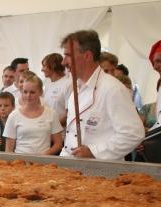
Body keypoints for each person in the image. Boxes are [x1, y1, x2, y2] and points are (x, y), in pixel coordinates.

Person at [59, 30, 144, 161]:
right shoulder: (77, 87)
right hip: (72, 166)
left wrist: (94, 151)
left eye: (68, 55)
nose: (63, 62)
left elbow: (133, 134)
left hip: (100, 173)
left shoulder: (113, 89)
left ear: (87, 55)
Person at [3, 74, 63, 155]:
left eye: (32, 92)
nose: (28, 95)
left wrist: (43, 156)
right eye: (25, 92)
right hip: (20, 163)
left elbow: (58, 144)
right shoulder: (13, 116)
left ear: (40, 92)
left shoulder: (51, 114)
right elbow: (8, 149)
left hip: (44, 164)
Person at [41, 53, 71, 126]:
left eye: (44, 66)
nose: (42, 69)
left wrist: (53, 128)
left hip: (61, 133)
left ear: (53, 66)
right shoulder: (46, 82)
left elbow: (69, 113)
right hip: (47, 131)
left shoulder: (68, 84)